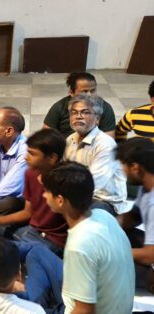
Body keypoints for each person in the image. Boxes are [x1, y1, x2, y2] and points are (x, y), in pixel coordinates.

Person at [42, 162, 134, 313]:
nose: (43, 195)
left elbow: (84, 311)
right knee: (37, 253)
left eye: (46, 191)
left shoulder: (79, 245)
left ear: (60, 200)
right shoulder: (105, 216)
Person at [0, 128, 68, 256]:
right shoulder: (30, 173)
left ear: (52, 158)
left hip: (52, 242)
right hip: (31, 231)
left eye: (32, 154)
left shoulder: (66, 180)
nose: (26, 157)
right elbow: (28, 212)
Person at [64, 94, 127, 215]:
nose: (78, 117)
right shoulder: (70, 139)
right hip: (79, 194)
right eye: (74, 113)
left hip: (105, 201)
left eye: (85, 112)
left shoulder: (105, 144)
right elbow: (64, 172)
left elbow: (92, 184)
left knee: (77, 213)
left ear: (97, 119)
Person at [116, 137, 154, 287]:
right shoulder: (146, 187)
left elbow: (150, 256)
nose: (122, 172)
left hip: (151, 259)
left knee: (106, 266)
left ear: (136, 168)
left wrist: (111, 251)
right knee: (124, 235)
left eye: (123, 167)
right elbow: (134, 217)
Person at [43, 72, 116, 138]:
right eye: (84, 91)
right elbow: (46, 136)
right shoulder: (59, 107)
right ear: (71, 92)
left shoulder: (105, 108)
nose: (89, 95)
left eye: (92, 91)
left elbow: (109, 139)